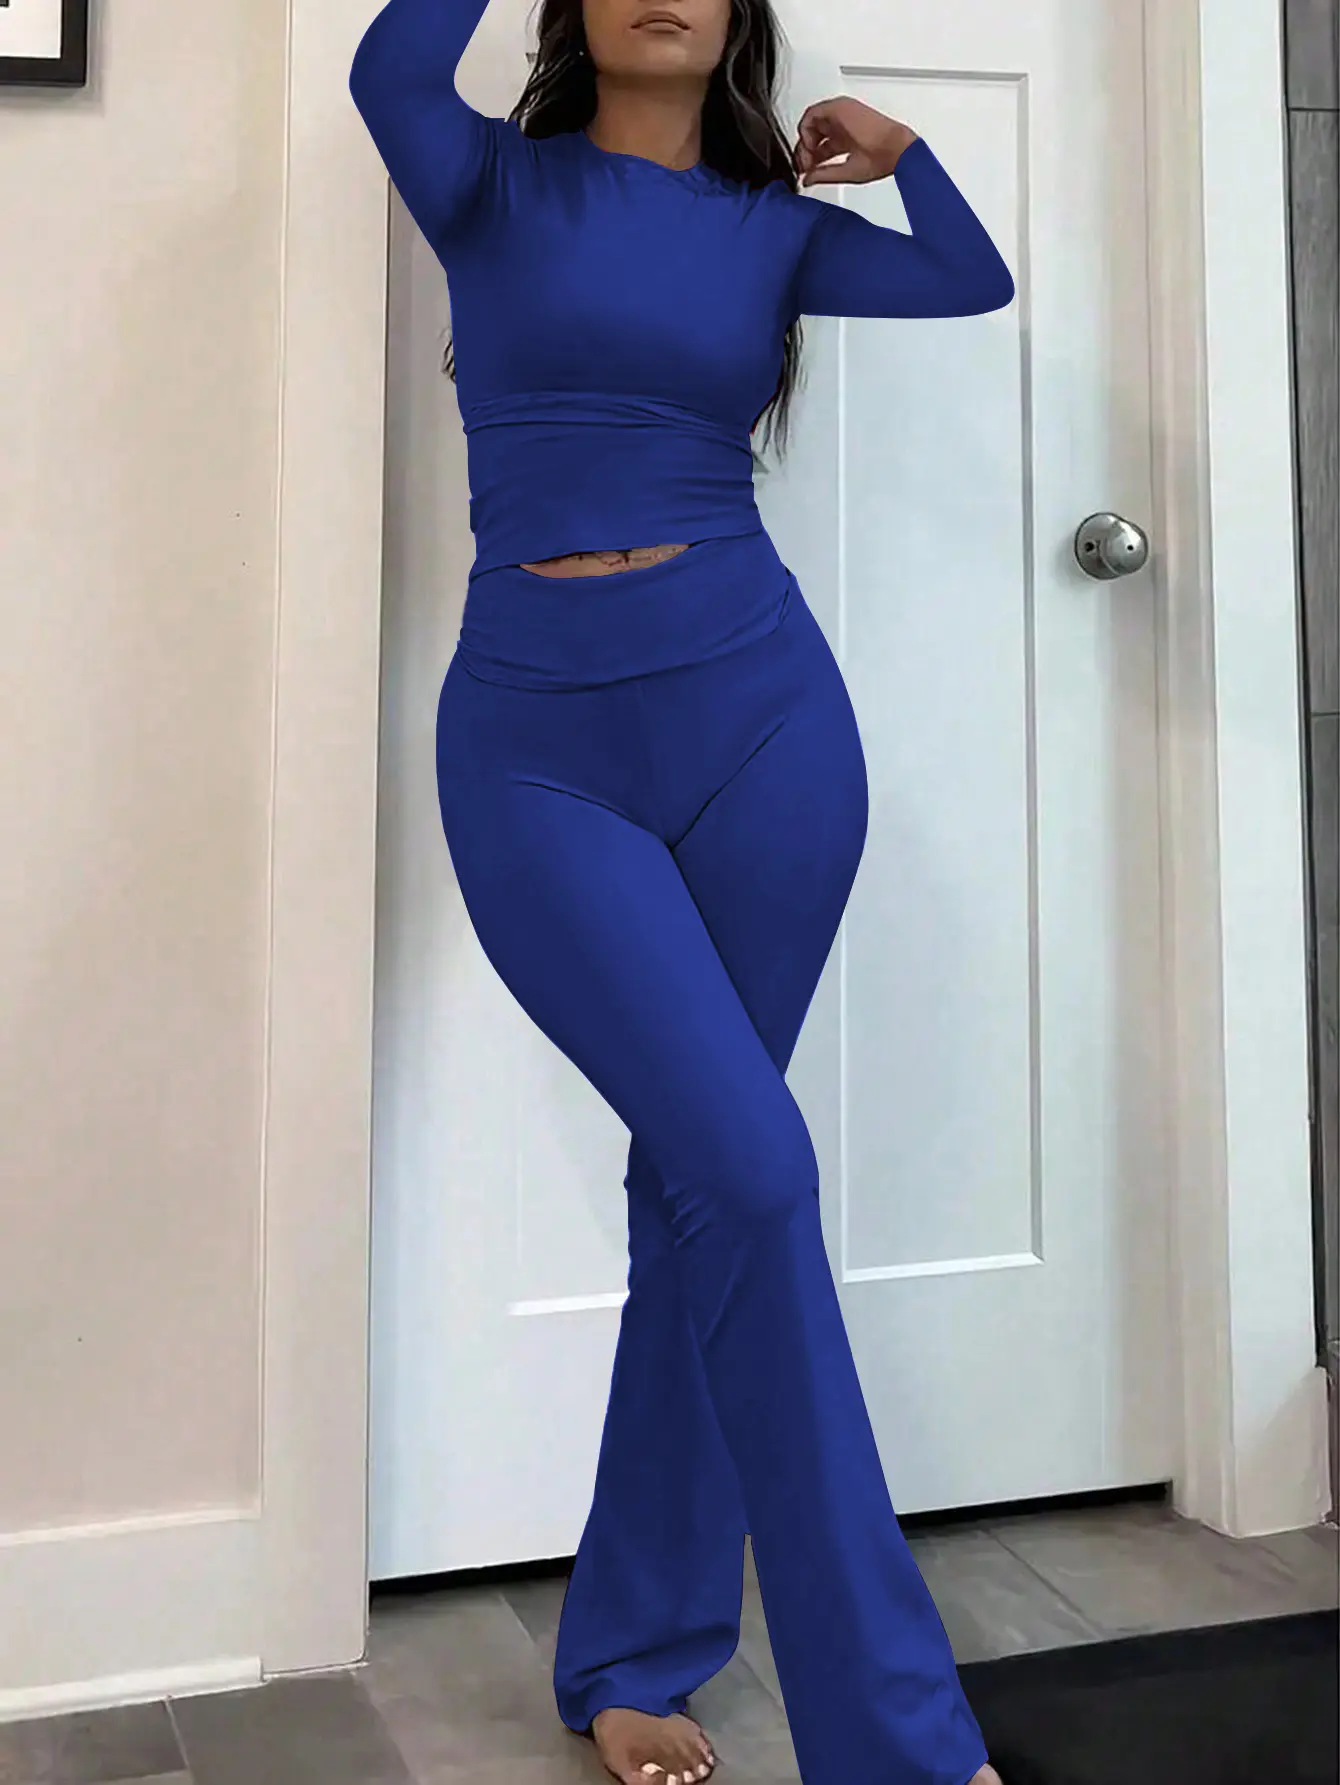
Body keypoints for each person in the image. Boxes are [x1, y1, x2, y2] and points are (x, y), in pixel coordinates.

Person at [350, 3, 1016, 1782]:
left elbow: (969, 281)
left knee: (706, 1188)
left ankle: (638, 1650)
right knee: (752, 1169)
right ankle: (897, 1739)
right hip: (539, 748)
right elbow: (388, 69)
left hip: (767, 729)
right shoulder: (487, 182)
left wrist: (909, 156)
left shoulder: (771, 230)